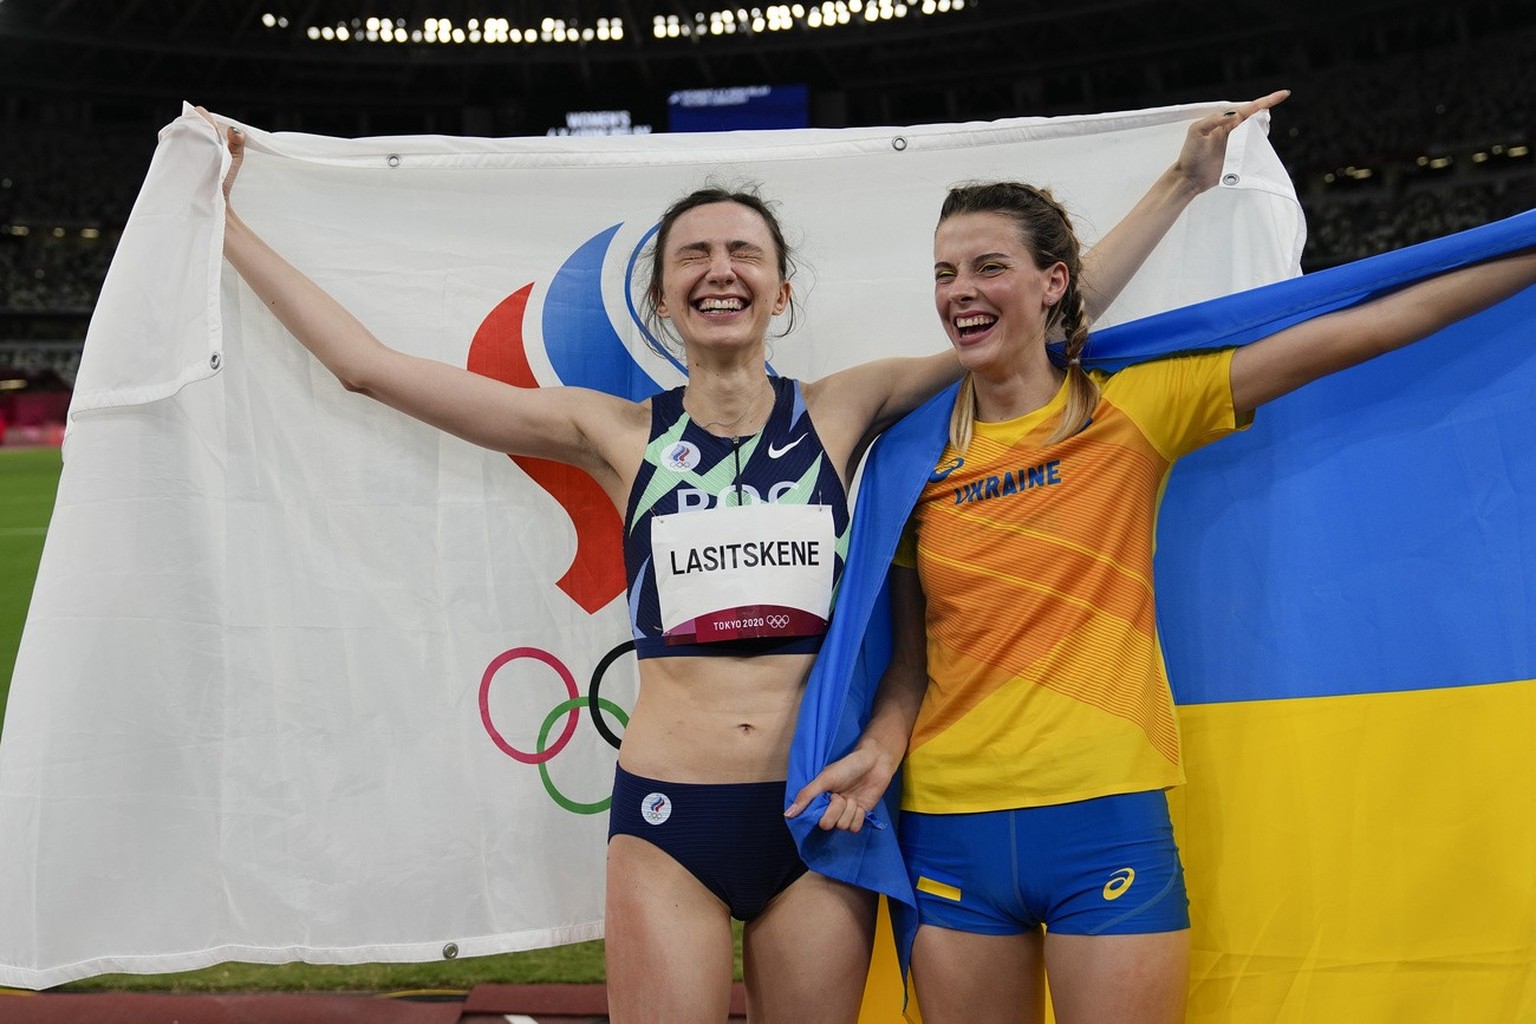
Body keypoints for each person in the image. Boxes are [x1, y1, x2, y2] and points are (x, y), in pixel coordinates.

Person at [201, 94, 1283, 1024]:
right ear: (663, 298)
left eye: (744, 255)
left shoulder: (846, 407)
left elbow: (1032, 315)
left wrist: (1179, 186)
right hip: (671, 815)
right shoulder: (612, 431)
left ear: (780, 290)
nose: (720, 271)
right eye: (694, 258)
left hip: (816, 817)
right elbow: (366, 370)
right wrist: (226, 222)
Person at [785, 175, 1536, 1022]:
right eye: (944, 273)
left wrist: (1523, 255)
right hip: (950, 821)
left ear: (1053, 283)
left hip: (1106, 818)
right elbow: (909, 665)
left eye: (987, 267)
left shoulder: (1133, 410)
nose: (960, 292)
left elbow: (1376, 324)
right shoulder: (910, 461)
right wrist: (881, 749)